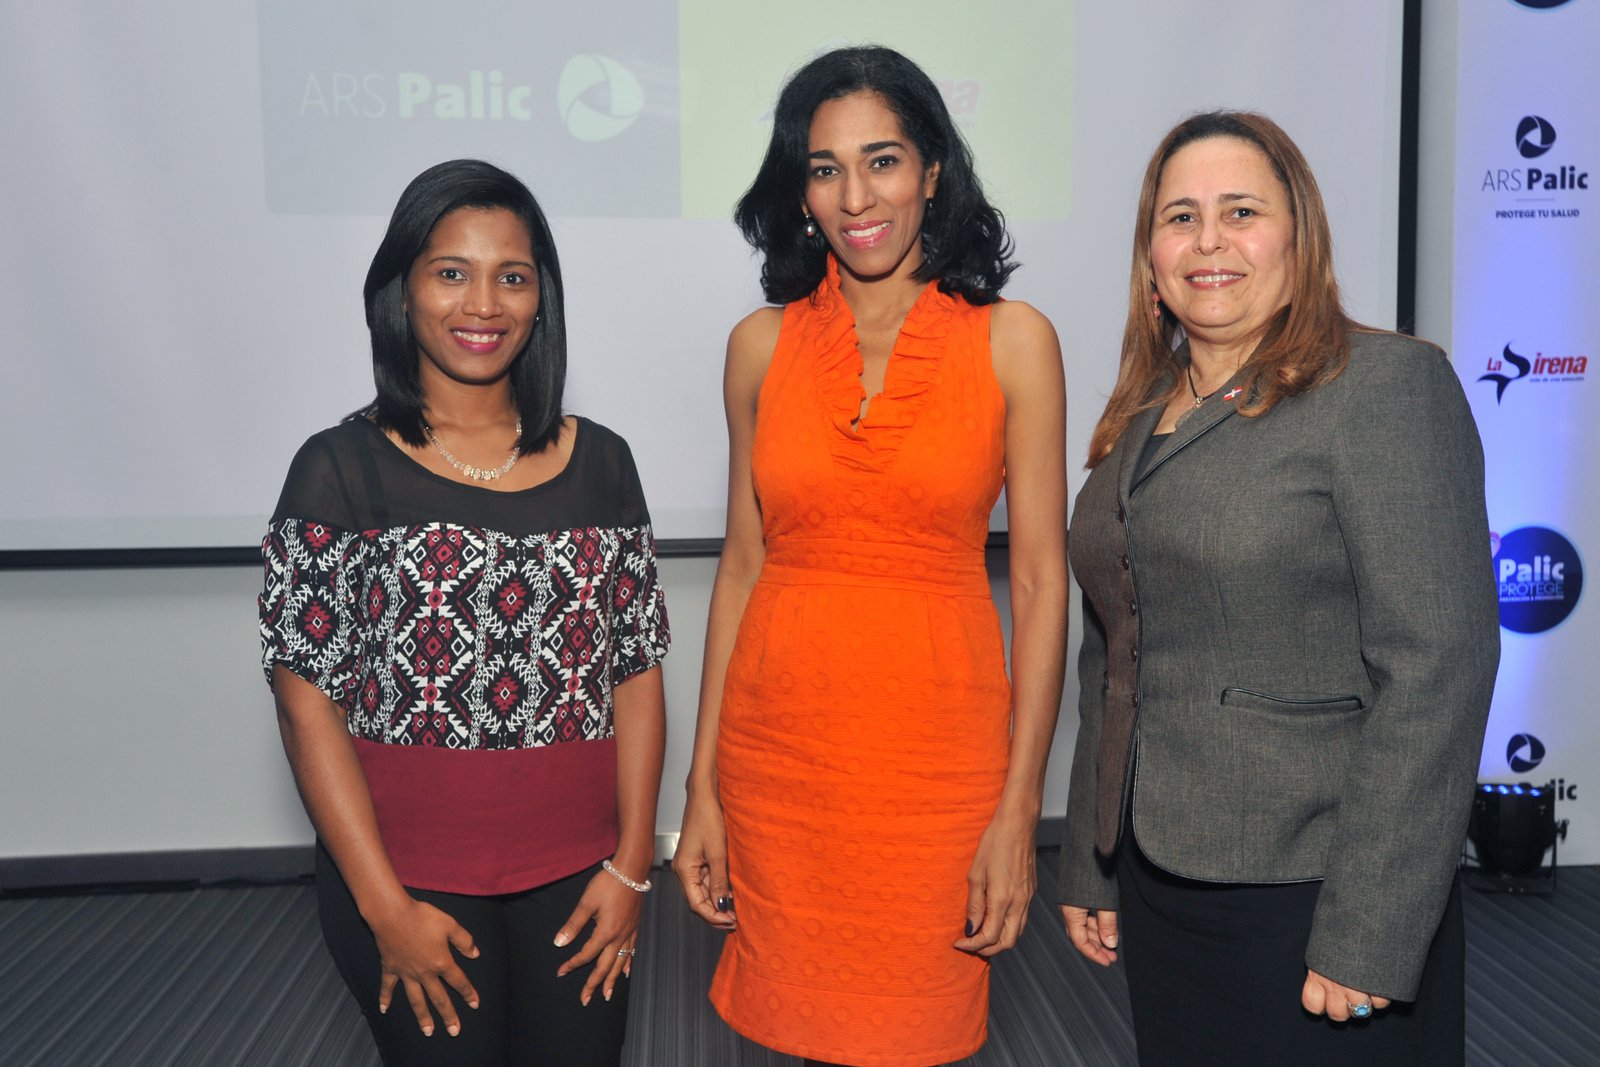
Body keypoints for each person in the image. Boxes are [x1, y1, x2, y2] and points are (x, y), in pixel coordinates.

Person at [1056, 111, 1499, 1065]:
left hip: (1319, 893)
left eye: (1241, 211)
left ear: (1298, 236)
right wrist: (1092, 859)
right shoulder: (1140, 414)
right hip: (1163, 880)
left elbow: (1440, 667)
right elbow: (1114, 646)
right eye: (1179, 217)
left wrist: (1372, 929)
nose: (1207, 240)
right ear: (1151, 255)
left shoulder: (1383, 386)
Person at [671, 46, 1068, 1066]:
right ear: (799, 191)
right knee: (802, 1038)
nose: (856, 195)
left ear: (934, 169)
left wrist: (1020, 805)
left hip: (937, 775)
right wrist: (701, 785)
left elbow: (1036, 581)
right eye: (823, 167)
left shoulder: (1012, 340)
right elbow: (743, 568)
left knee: (917, 1036)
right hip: (779, 760)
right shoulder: (757, 346)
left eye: (882, 159)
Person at [259, 159, 669, 1066]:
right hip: (407, 885)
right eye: (452, 271)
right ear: (401, 290)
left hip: (582, 876)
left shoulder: (603, 462)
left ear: (541, 299)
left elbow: (636, 672)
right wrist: (384, 908)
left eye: (511, 276)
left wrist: (632, 864)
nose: (482, 302)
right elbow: (304, 701)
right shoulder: (337, 467)